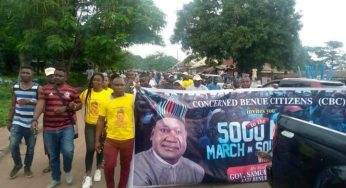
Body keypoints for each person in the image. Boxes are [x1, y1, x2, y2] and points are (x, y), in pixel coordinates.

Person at [31, 66, 82, 188]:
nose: (57, 77)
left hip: (66, 126)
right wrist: (34, 119)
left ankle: (67, 169)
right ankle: (56, 178)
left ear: (66, 77)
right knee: (53, 155)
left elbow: (79, 104)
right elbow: (40, 103)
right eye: (56, 75)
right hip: (49, 128)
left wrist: (70, 107)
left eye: (60, 76)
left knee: (68, 151)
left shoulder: (71, 90)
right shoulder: (45, 89)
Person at [134, 115, 205, 186]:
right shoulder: (135, 167)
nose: (171, 139)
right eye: (164, 130)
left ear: (185, 136)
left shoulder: (197, 172)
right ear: (152, 134)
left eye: (178, 131)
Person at [95, 77, 135, 188]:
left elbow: (145, 104)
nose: (119, 87)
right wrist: (97, 140)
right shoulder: (106, 100)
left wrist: (140, 90)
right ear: (111, 86)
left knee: (125, 166)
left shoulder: (132, 98)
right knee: (109, 166)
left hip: (128, 139)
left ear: (125, 85)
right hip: (111, 140)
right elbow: (100, 120)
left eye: (122, 85)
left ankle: (122, 186)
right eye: (116, 85)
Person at [7, 65, 41, 179]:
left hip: (32, 122)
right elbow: (13, 104)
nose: (25, 75)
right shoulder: (15, 87)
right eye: (23, 73)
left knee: (30, 147)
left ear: (32, 75)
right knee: (13, 144)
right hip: (18, 121)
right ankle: (18, 164)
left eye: (28, 73)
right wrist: (9, 120)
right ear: (20, 74)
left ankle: (27, 167)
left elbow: (41, 104)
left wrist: (28, 101)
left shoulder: (38, 88)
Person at [80, 73, 109, 188]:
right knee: (90, 148)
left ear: (103, 82)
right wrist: (72, 105)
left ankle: (98, 169)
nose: (96, 82)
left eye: (99, 80)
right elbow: (78, 104)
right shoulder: (86, 93)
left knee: (100, 147)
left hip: (103, 126)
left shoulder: (108, 94)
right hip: (90, 125)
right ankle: (87, 176)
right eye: (94, 80)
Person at [42, 67, 56, 173]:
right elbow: (40, 104)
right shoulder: (43, 89)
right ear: (46, 77)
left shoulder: (64, 88)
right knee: (48, 144)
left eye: (53, 75)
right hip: (47, 121)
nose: (52, 78)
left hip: (63, 122)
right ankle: (51, 163)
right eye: (49, 76)